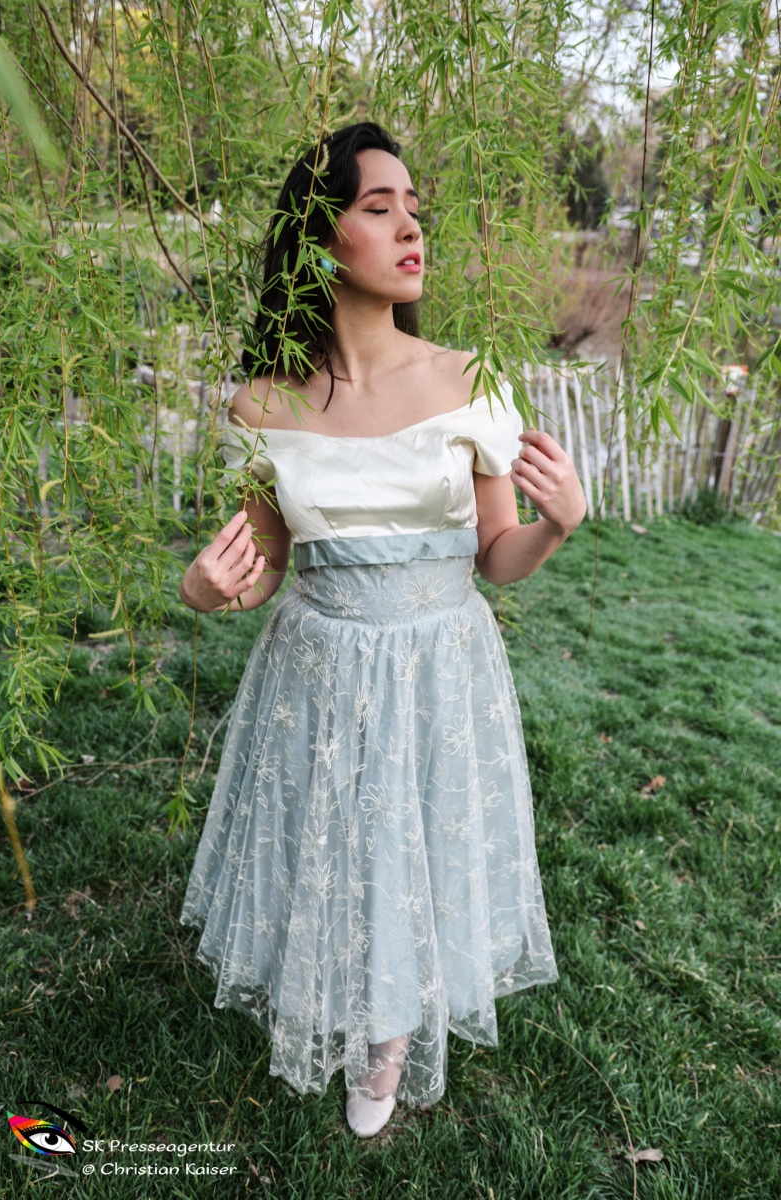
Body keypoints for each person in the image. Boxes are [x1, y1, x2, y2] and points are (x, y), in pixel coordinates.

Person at [178, 121, 587, 1138]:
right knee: (339, 839)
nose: (411, 228)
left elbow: (495, 554)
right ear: (322, 242)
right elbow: (265, 564)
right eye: (378, 207)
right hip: (317, 660)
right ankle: (334, 982)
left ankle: (390, 1037)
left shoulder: (468, 379)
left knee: (415, 839)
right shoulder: (262, 404)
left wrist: (555, 526)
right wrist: (206, 590)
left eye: (414, 208)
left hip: (439, 659)